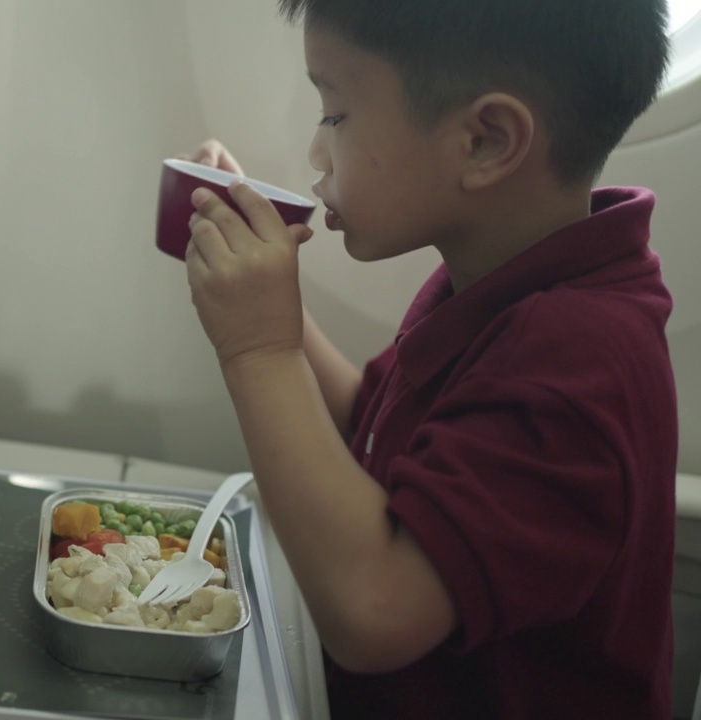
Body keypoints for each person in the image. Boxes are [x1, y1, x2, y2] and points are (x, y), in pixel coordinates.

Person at [180, 0, 677, 717]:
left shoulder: (577, 361)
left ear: (486, 141)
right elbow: (367, 428)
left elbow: (375, 612)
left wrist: (258, 348)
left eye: (336, 115)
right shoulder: (498, 285)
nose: (318, 153)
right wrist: (263, 298)